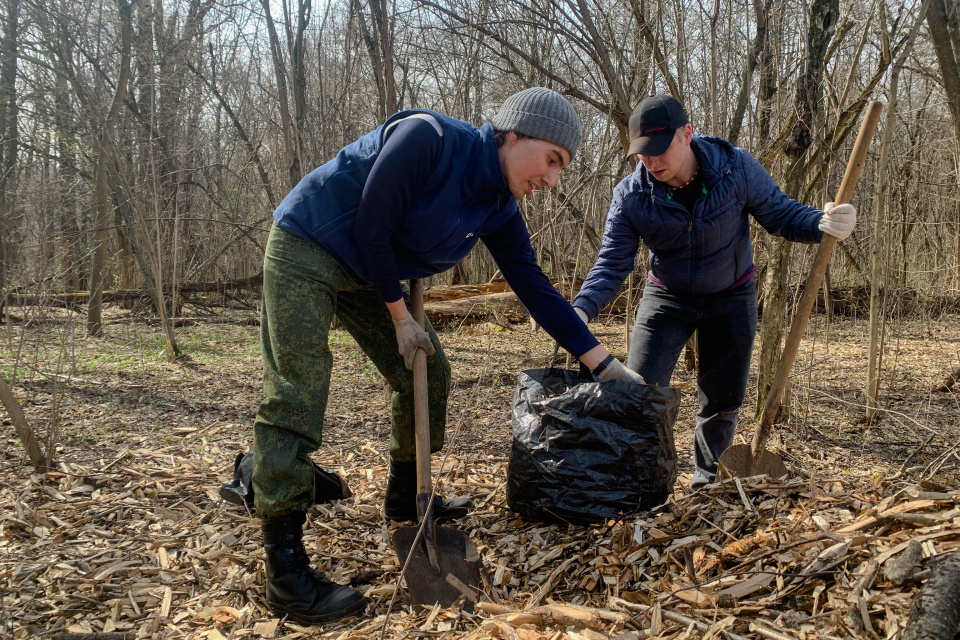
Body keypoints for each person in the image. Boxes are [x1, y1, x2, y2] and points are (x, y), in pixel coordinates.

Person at [252, 87, 644, 625]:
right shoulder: (429, 139)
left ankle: (405, 500)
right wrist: (399, 315)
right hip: (309, 243)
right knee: (297, 390)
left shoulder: (498, 207)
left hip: (369, 272)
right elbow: (373, 222)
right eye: (552, 159)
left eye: (562, 169)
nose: (552, 180)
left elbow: (534, 287)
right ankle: (286, 574)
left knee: (429, 371)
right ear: (513, 134)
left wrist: (602, 362)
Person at [572, 95, 856, 489]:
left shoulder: (734, 167)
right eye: (641, 155)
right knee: (641, 395)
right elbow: (612, 263)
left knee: (722, 403)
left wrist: (823, 222)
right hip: (666, 300)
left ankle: (707, 486)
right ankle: (641, 486)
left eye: (658, 150)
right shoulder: (632, 195)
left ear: (686, 134)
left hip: (732, 298)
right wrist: (581, 311)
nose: (651, 162)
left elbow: (780, 213)